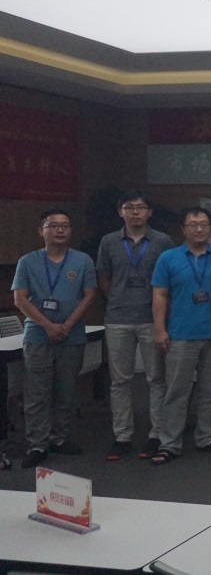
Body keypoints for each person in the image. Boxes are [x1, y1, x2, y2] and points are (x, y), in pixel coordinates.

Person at [12, 209, 97, 469]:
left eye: (65, 226)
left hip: (72, 336)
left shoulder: (82, 260)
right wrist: (48, 325)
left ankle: (58, 438)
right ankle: (37, 444)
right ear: (41, 231)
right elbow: (20, 299)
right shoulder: (27, 262)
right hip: (38, 335)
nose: (60, 230)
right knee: (36, 393)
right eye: (54, 225)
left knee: (66, 391)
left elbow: (89, 295)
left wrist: (67, 325)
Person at [96, 190, 174, 461]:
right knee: (120, 381)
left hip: (152, 319)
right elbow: (103, 275)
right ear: (121, 212)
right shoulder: (108, 241)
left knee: (156, 379)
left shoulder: (163, 241)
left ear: (149, 212)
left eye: (141, 207)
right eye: (129, 207)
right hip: (118, 319)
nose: (135, 212)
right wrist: (115, 298)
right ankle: (122, 436)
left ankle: (156, 434)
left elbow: (169, 279)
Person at [150, 207, 211, 465]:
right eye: (193, 224)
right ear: (183, 229)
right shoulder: (168, 258)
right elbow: (160, 295)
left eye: (204, 224)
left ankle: (207, 436)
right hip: (180, 334)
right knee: (176, 391)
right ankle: (169, 442)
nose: (199, 229)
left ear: (210, 228)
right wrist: (159, 329)